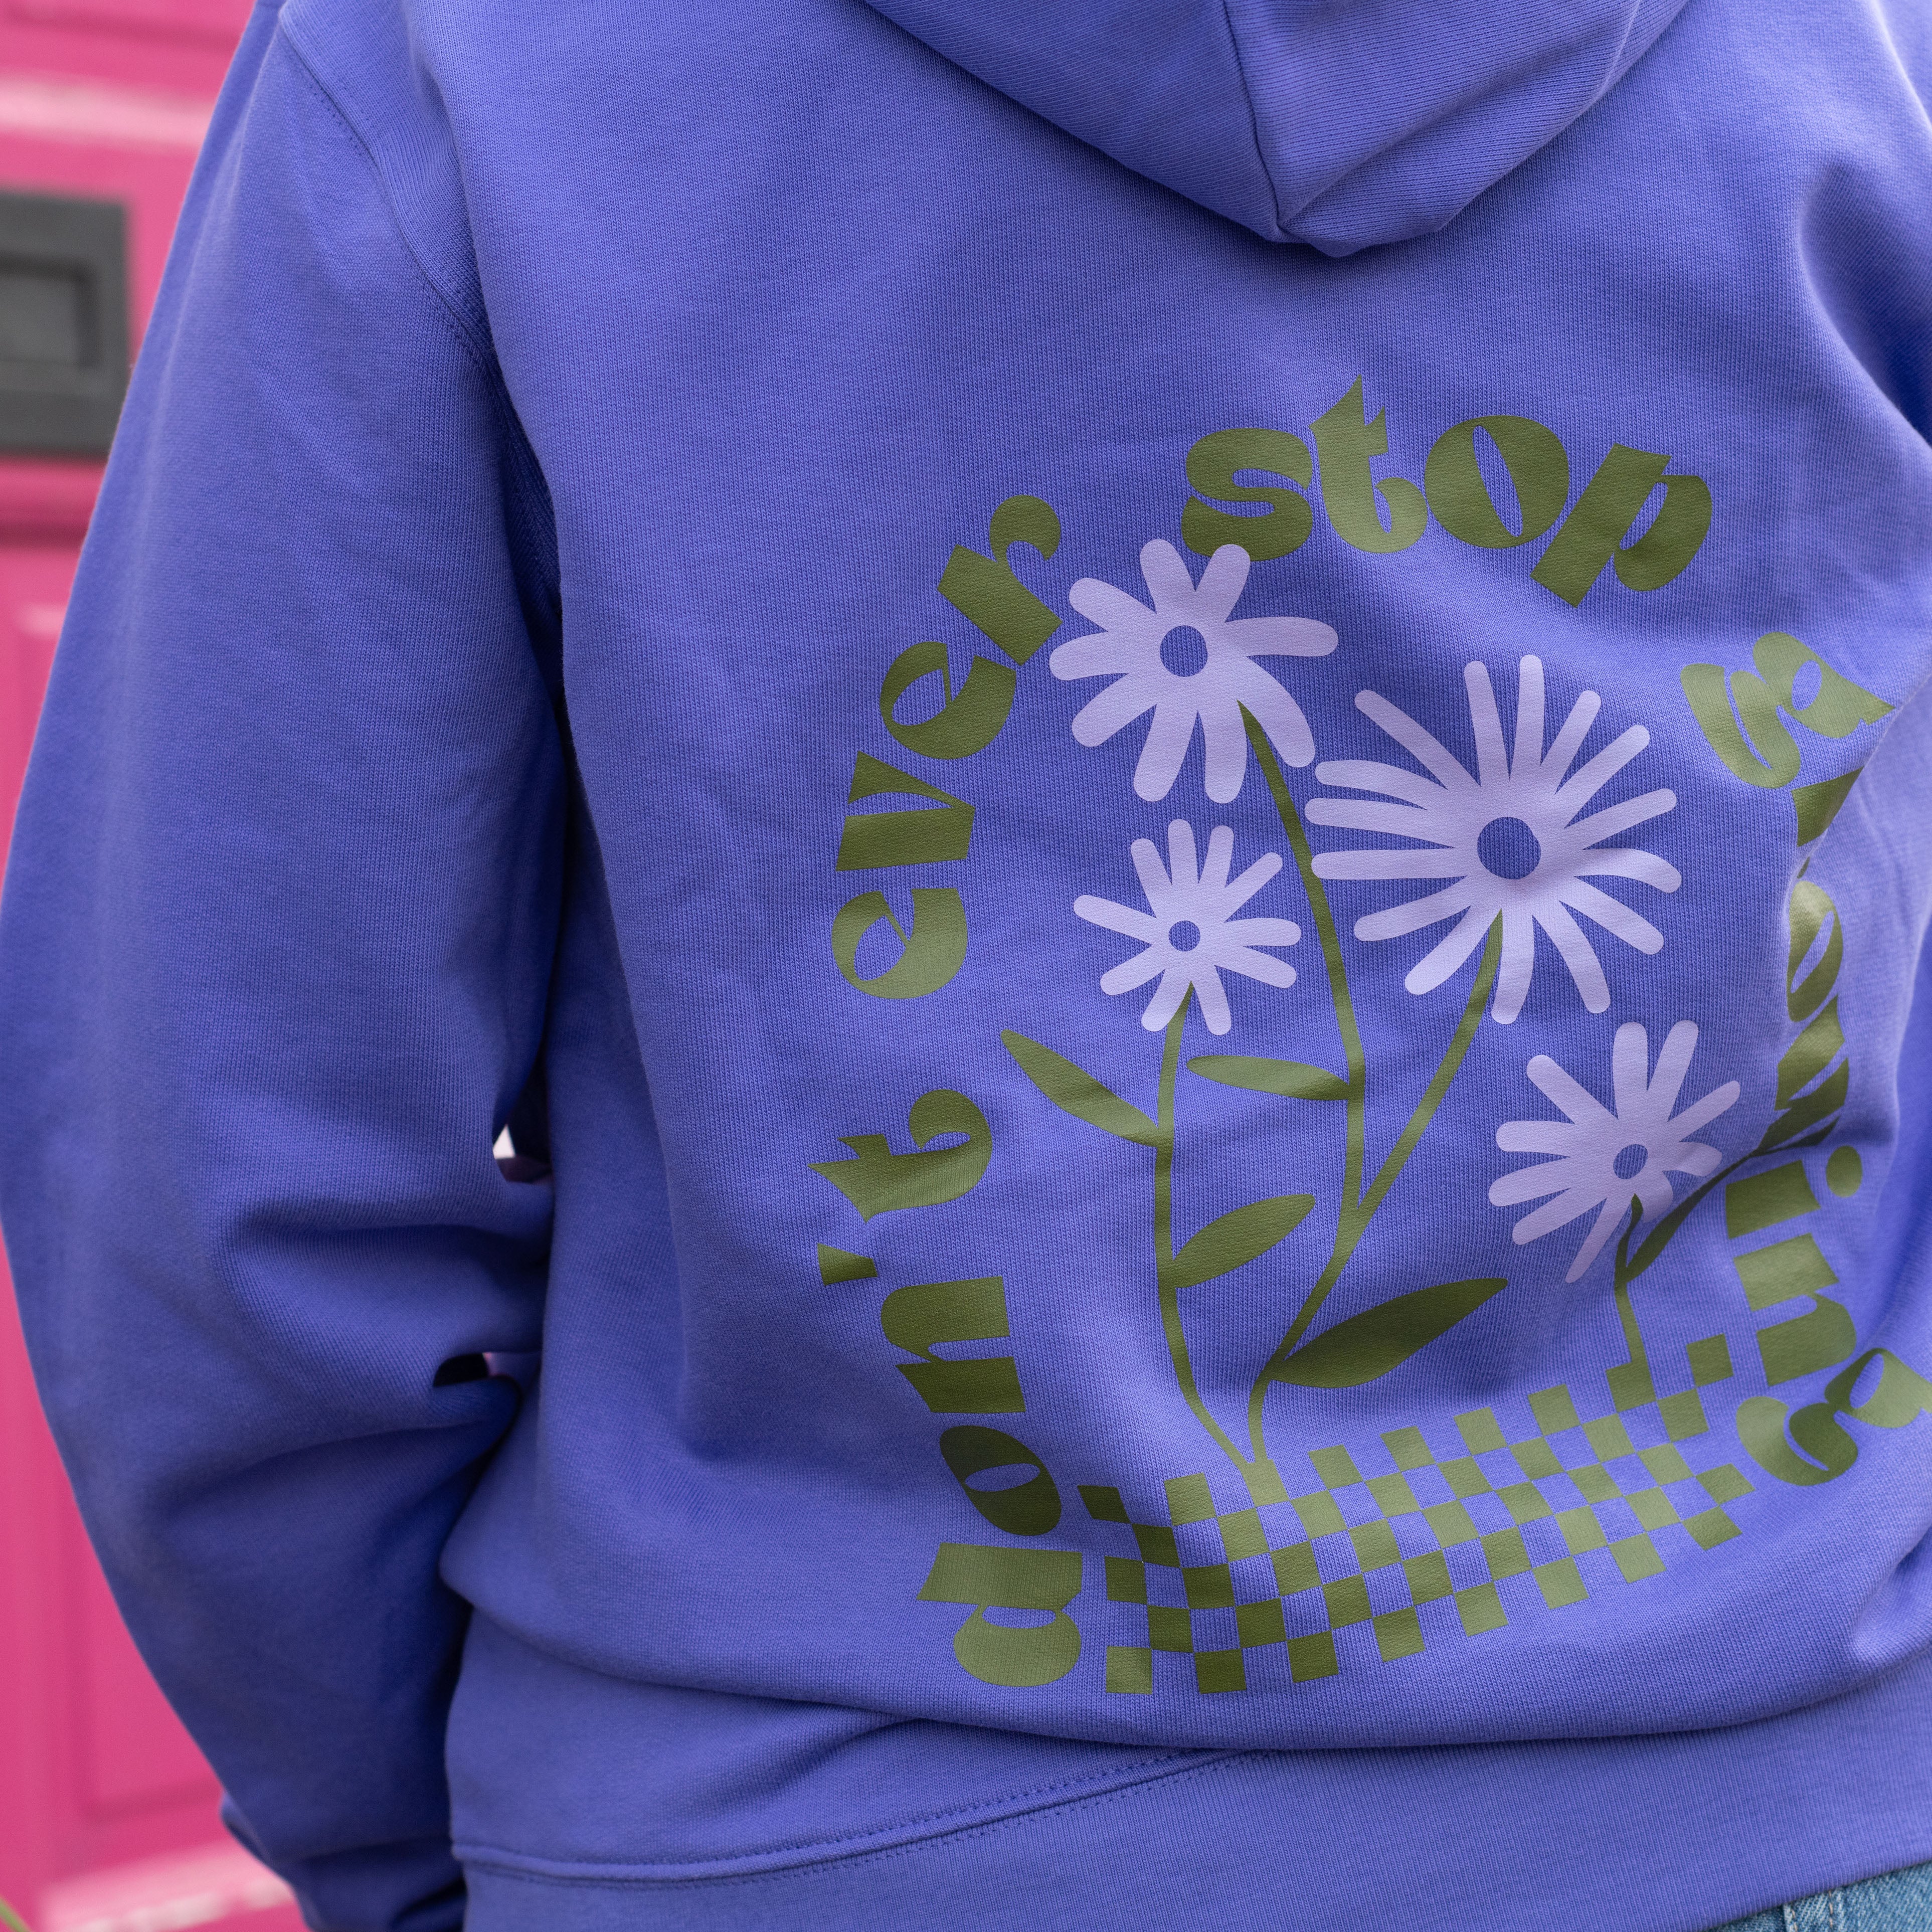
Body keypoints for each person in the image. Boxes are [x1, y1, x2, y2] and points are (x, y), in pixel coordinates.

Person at [6, 0, 1932, 1924]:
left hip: (796, 1834)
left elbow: (217, 1174)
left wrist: (461, 1847)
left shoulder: (475, 47)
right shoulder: (1866, 61)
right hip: (1804, 1821)